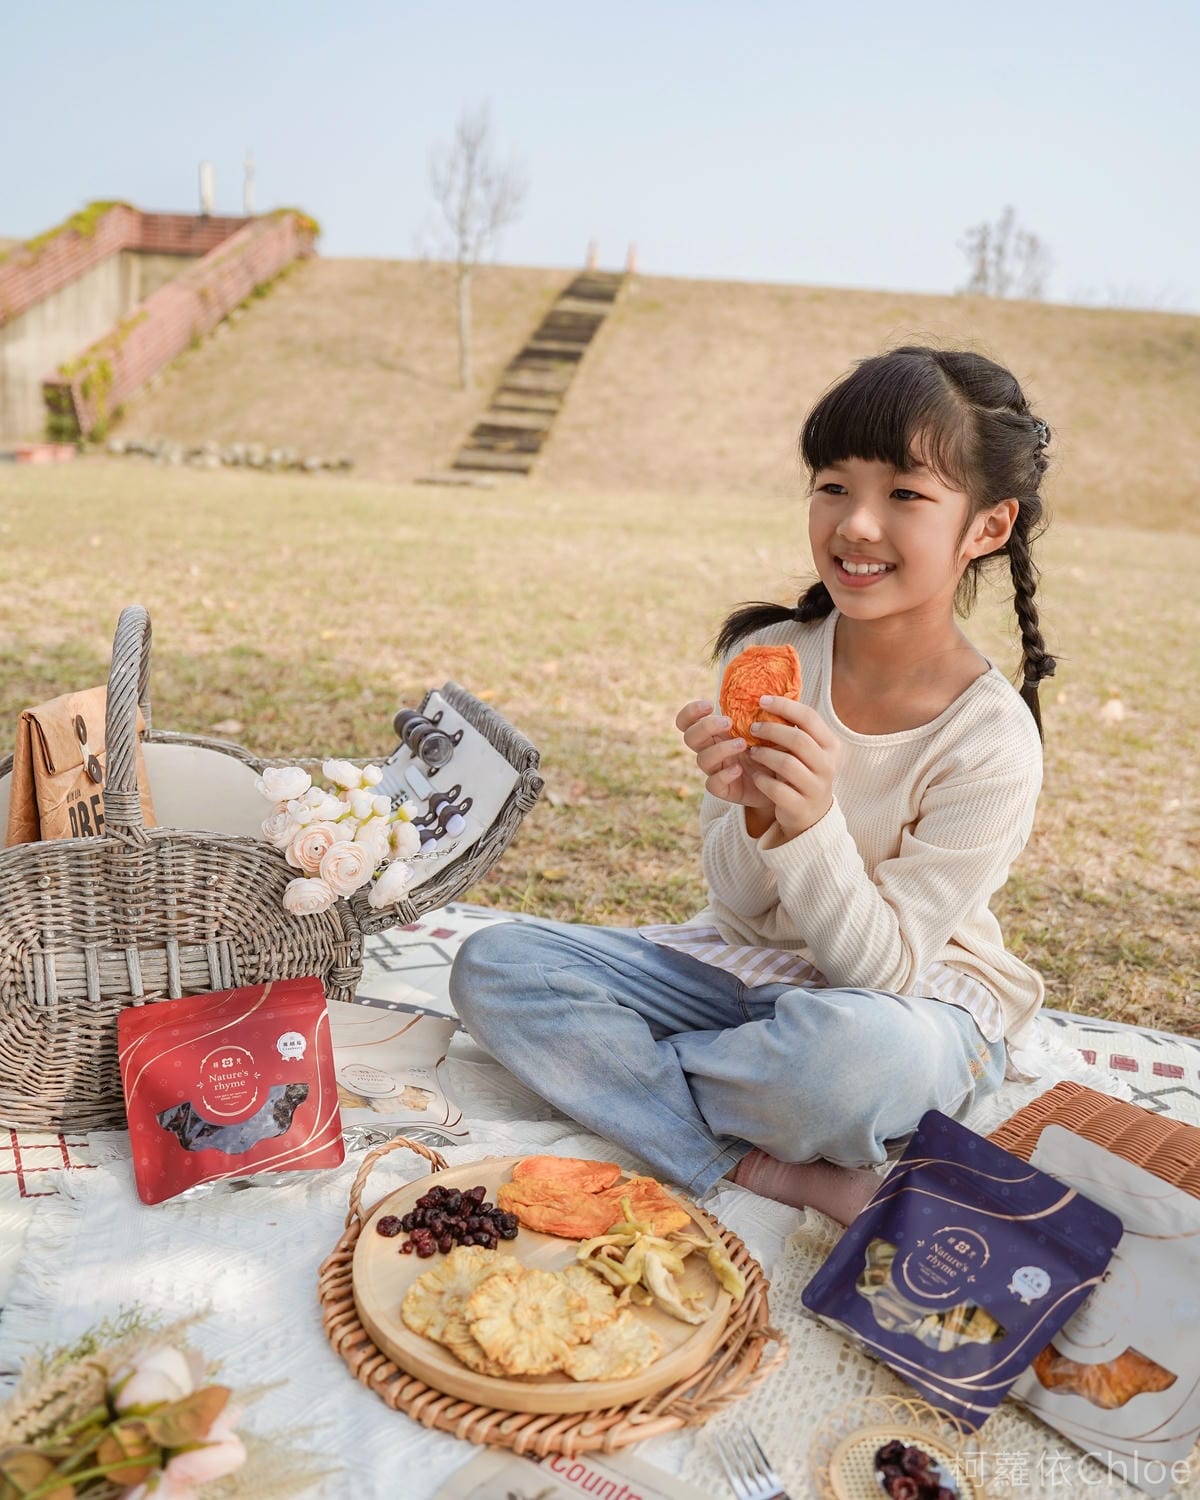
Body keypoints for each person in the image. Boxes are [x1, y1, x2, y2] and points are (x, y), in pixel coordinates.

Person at [450, 345, 1056, 1224]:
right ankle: (751, 1155)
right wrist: (757, 810)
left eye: (905, 495)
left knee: (844, 1066)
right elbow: (736, 906)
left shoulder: (990, 738)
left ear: (987, 527)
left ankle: (630, 1080)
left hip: (901, 1008)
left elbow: (878, 972)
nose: (856, 524)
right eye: (834, 486)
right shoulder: (770, 658)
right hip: (742, 978)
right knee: (496, 965)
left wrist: (810, 823)